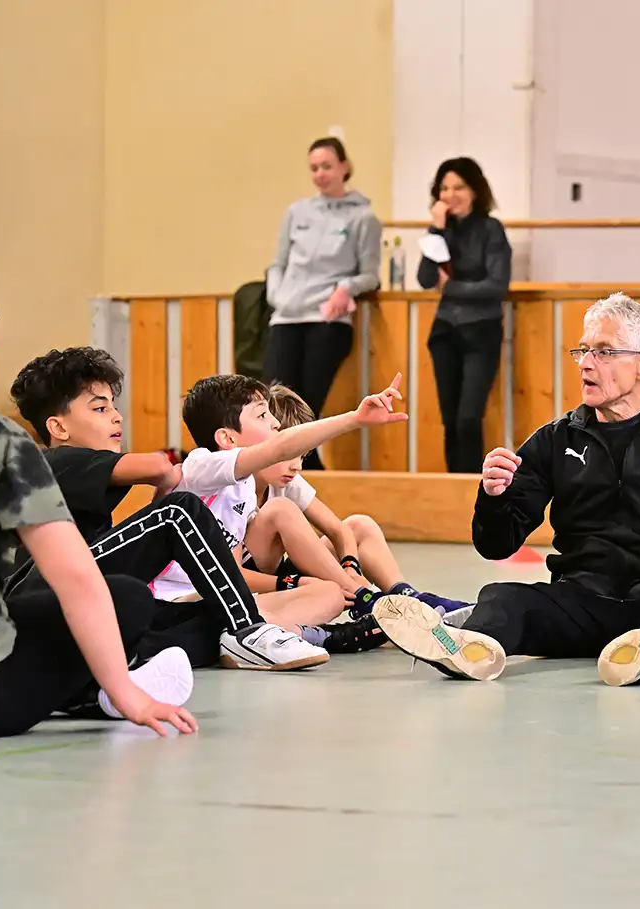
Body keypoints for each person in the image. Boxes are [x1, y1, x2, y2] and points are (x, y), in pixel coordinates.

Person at [372, 293, 640, 685]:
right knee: (502, 599)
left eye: (604, 352)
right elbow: (497, 545)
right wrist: (493, 497)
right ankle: (464, 649)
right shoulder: (554, 440)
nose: (586, 363)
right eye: (583, 351)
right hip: (579, 602)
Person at [7, 346, 331, 670]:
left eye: (114, 406)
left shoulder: (80, 470)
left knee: (205, 619)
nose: (117, 416)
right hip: (44, 593)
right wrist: (168, 483)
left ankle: (325, 635)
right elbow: (159, 466)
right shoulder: (53, 461)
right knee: (178, 510)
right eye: (100, 408)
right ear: (59, 428)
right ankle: (246, 630)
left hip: (80, 614)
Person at [0, 300, 196, 738]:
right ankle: (101, 689)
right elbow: (76, 579)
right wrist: (125, 693)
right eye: (99, 408)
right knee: (127, 597)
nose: (116, 416)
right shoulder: (8, 444)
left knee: (167, 614)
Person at [149, 372, 409, 666]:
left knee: (331, 593)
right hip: (175, 605)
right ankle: (354, 615)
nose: (274, 423)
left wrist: (302, 581)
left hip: (219, 601)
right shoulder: (199, 466)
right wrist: (355, 419)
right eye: (262, 415)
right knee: (282, 512)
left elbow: (233, 573)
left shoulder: (243, 487)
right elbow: (281, 445)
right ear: (227, 438)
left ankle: (314, 630)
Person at [254, 384, 468, 645]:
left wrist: (350, 567)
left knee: (359, 525)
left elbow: (339, 530)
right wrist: (295, 582)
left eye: (303, 455)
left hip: (283, 577)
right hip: (263, 587)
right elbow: (234, 574)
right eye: (289, 454)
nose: (297, 466)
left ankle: (407, 596)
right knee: (282, 513)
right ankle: (369, 602)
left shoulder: (288, 481)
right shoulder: (236, 487)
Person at [264, 136, 382, 470]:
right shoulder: (297, 212)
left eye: (327, 166)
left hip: (327, 320)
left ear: (344, 167)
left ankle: (306, 473)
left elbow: (370, 275)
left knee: (306, 406)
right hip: (287, 318)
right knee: (274, 402)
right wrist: (278, 297)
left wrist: (345, 288)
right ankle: (296, 470)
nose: (320, 174)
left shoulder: (363, 217)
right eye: (314, 168)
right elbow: (278, 263)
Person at [415, 157, 512, 473]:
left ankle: (472, 486)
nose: (450, 195)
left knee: (469, 418)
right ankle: (453, 484)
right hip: (445, 331)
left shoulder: (490, 229)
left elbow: (497, 285)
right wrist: (436, 229)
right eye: (444, 188)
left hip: (481, 330)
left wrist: (451, 287)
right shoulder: (441, 231)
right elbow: (425, 279)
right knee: (450, 420)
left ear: (474, 191)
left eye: (458, 187)